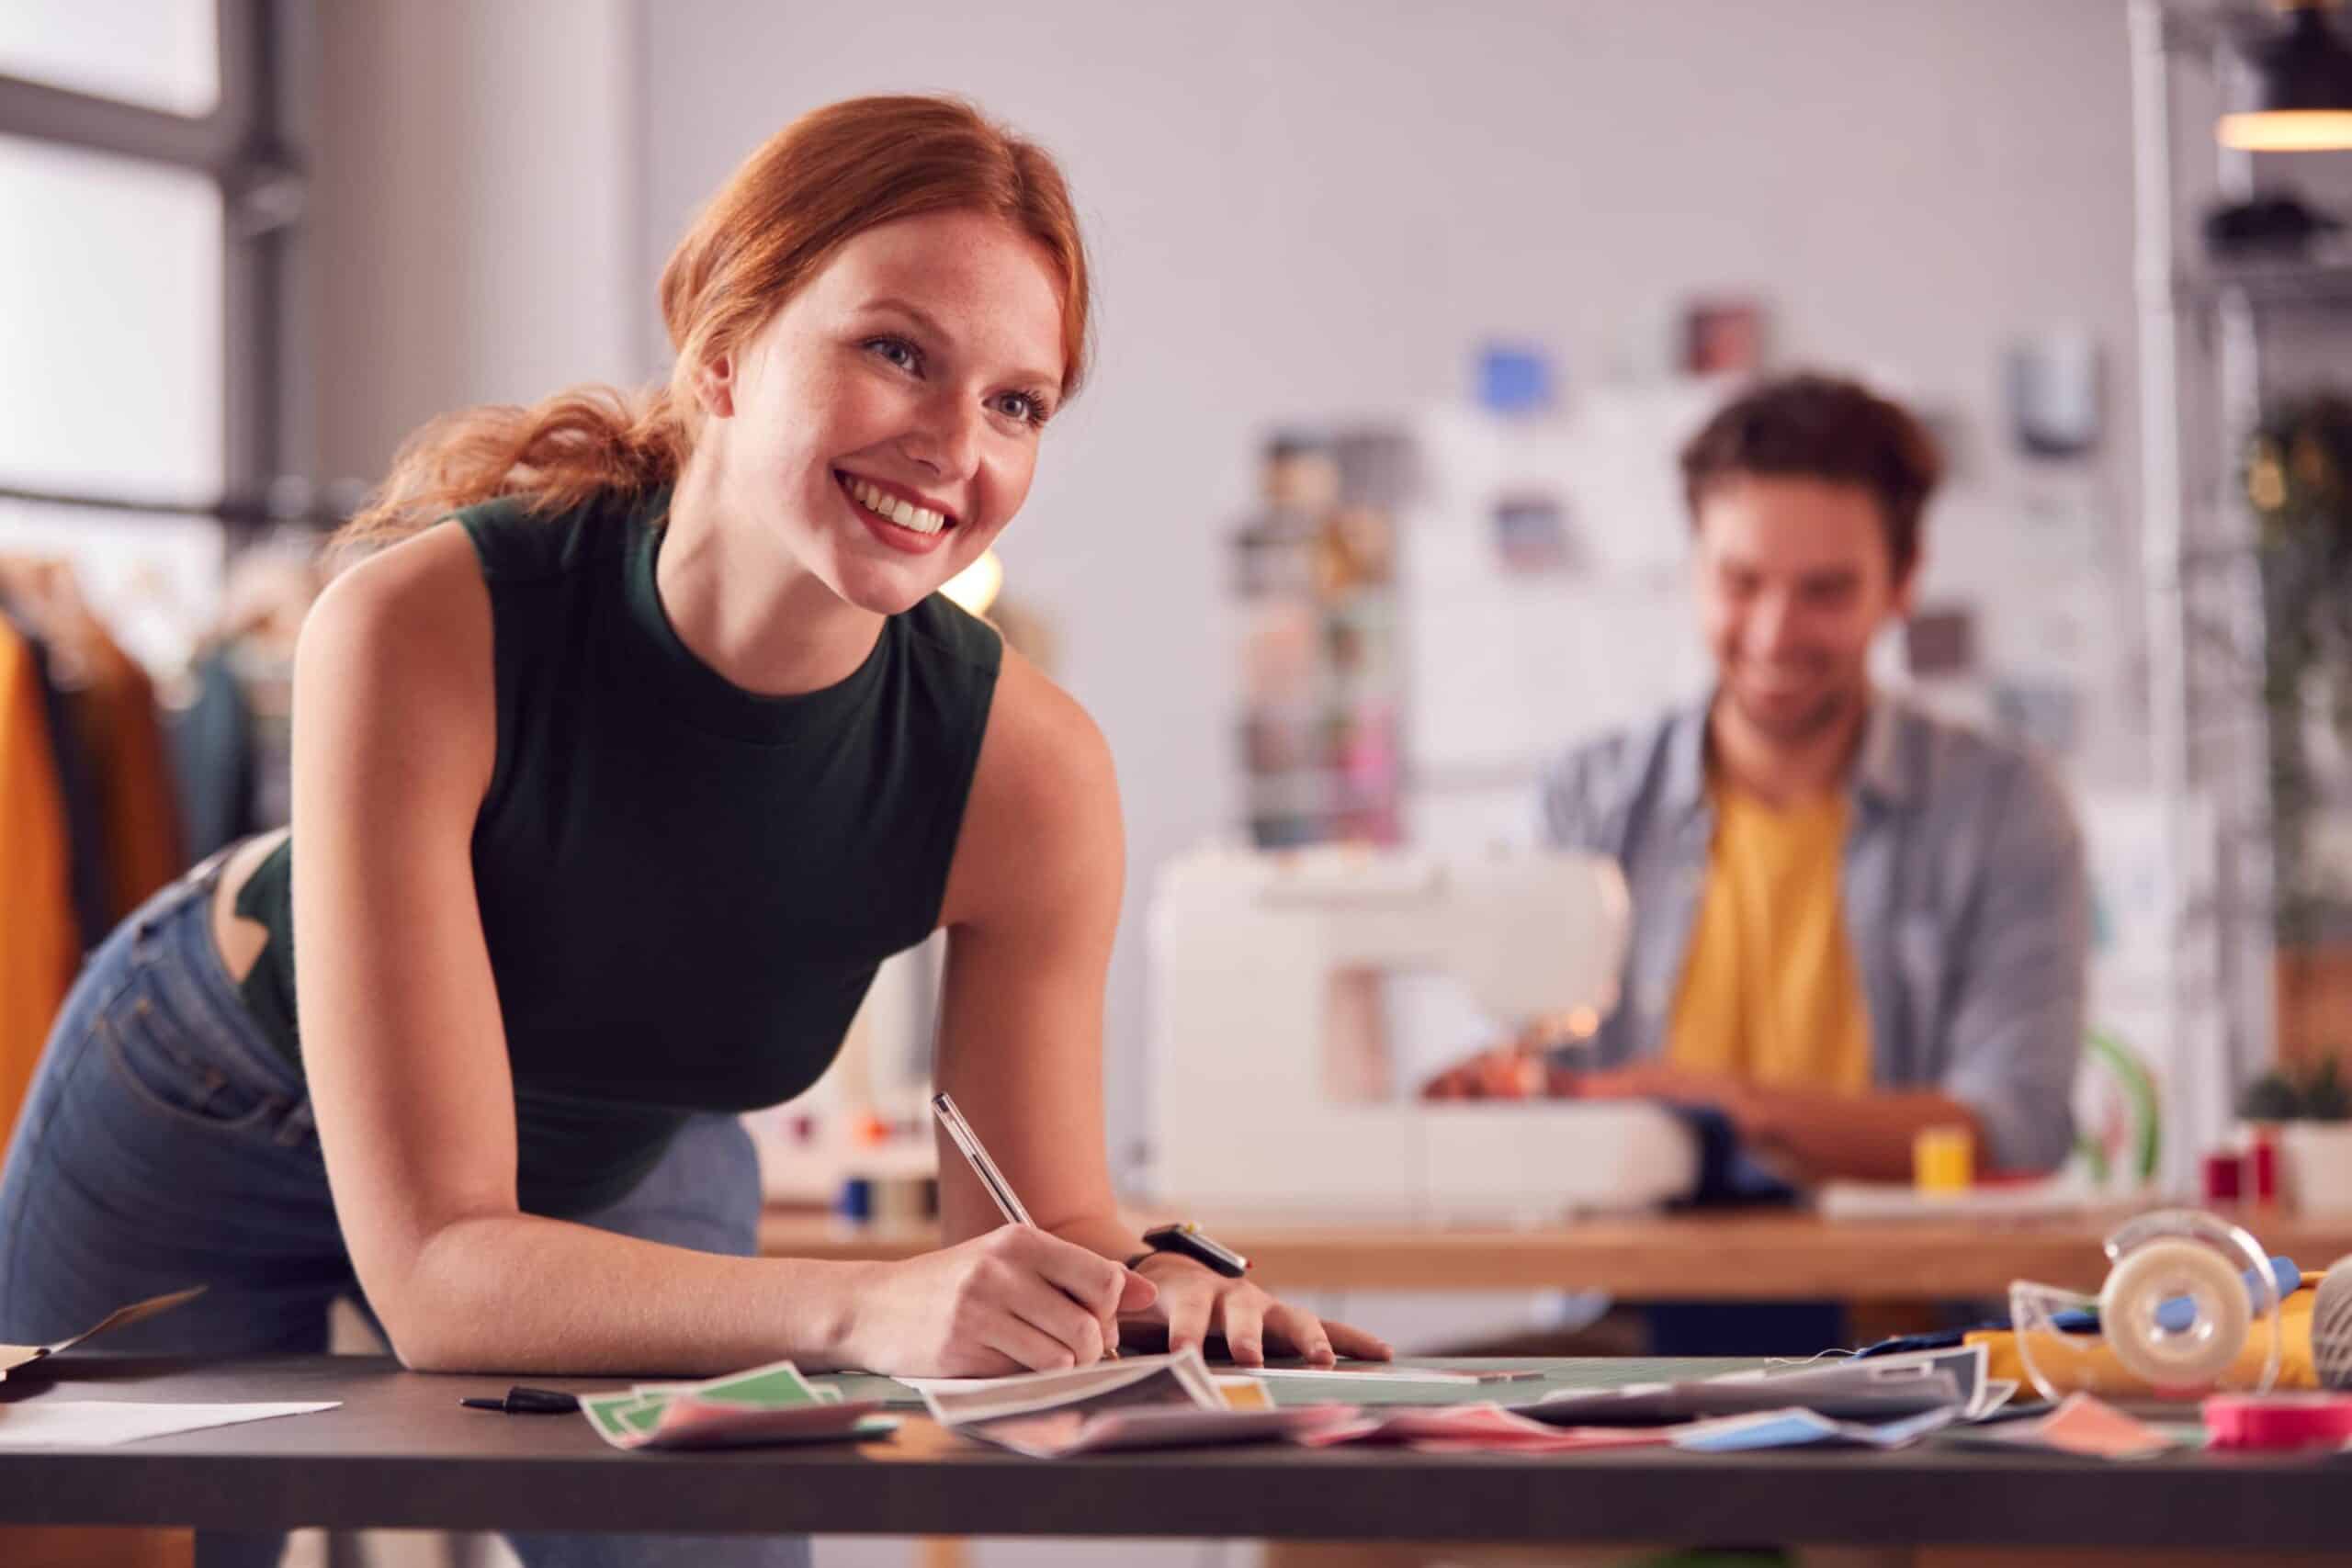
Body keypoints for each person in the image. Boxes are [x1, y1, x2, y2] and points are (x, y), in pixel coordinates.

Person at [0, 95, 1385, 1568]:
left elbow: (1034, 1230)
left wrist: (1162, 1283)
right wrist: (862, 1301)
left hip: (612, 1165)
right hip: (214, 1108)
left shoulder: (1027, 770)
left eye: (1015, 402)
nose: (950, 444)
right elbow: (440, 1275)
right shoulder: (422, 625)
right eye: (896, 350)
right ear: (724, 350)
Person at [1429, 372, 2089, 1190]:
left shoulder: (2002, 809)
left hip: (1913, 1312)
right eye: (1740, 582)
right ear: (1692, 569)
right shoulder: (1583, 798)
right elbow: (1528, 1085)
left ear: (1905, 580)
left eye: (1826, 590)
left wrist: (1733, 1107)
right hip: (1626, 1308)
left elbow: (2017, 1122)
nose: (1775, 633)